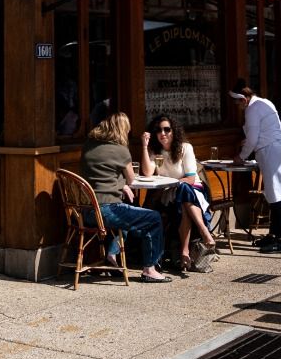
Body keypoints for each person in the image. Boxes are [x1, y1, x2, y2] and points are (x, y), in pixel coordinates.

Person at [82, 111, 175, 282]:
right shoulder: (120, 150)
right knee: (153, 218)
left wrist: (120, 185)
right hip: (107, 211)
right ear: (122, 130)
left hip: (85, 211)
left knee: (127, 213)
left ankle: (112, 254)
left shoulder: (89, 145)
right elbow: (132, 179)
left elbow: (100, 175)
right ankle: (150, 269)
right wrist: (125, 184)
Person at [137, 115, 219, 273]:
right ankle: (199, 237)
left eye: (167, 129)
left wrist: (174, 184)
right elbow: (147, 172)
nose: (163, 133)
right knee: (182, 199)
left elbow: (190, 178)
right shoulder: (156, 151)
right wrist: (145, 147)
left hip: (193, 190)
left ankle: (187, 248)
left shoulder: (185, 148)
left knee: (183, 191)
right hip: (170, 194)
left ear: (174, 131)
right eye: (158, 130)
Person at [232, 79, 281, 254]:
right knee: (273, 195)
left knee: (276, 196)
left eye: (237, 102)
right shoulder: (264, 103)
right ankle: (273, 235)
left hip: (273, 152)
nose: (237, 106)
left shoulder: (252, 109)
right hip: (276, 150)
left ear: (244, 100)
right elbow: (259, 134)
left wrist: (241, 156)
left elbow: (252, 139)